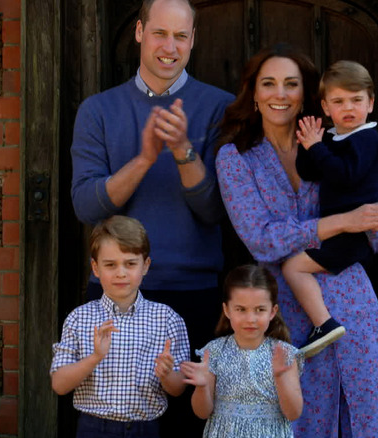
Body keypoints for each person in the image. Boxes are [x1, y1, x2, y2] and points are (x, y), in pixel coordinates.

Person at [215, 44, 378, 437]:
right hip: (287, 316)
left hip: (355, 307)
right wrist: (344, 221)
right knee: (300, 423)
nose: (280, 94)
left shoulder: (336, 144)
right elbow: (262, 241)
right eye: (268, 84)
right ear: (253, 93)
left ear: (305, 95)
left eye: (291, 84)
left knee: (364, 419)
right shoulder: (236, 159)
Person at [69, 0, 233, 434]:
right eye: (160, 33)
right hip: (114, 297)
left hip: (193, 294)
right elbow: (86, 206)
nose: (170, 46)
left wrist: (183, 152)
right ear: (139, 32)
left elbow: (217, 210)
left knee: (187, 426)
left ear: (194, 40)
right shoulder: (98, 110)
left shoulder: (221, 108)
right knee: (112, 421)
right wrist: (143, 159)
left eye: (181, 36)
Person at [281, 60, 378, 358]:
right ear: (326, 108)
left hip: (351, 233)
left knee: (293, 267)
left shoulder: (367, 140)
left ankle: (323, 324)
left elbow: (344, 175)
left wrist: (317, 147)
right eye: (339, 102)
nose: (348, 108)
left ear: (371, 103)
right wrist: (308, 144)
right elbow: (310, 171)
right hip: (338, 229)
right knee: (344, 289)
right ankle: (373, 341)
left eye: (356, 100)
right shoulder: (334, 137)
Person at [50, 215, 189, 438]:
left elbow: (178, 388)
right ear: (95, 268)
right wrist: (95, 357)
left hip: (146, 428)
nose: (121, 272)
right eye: (110, 264)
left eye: (130, 263)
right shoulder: (79, 318)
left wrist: (166, 375)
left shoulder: (167, 319)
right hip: (93, 428)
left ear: (146, 266)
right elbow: (59, 384)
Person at [181, 264, 303, 438]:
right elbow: (202, 413)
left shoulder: (284, 354)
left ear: (272, 312)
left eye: (260, 310)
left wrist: (281, 378)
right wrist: (202, 387)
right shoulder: (214, 351)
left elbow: (294, 413)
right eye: (241, 309)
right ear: (227, 310)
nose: (250, 319)